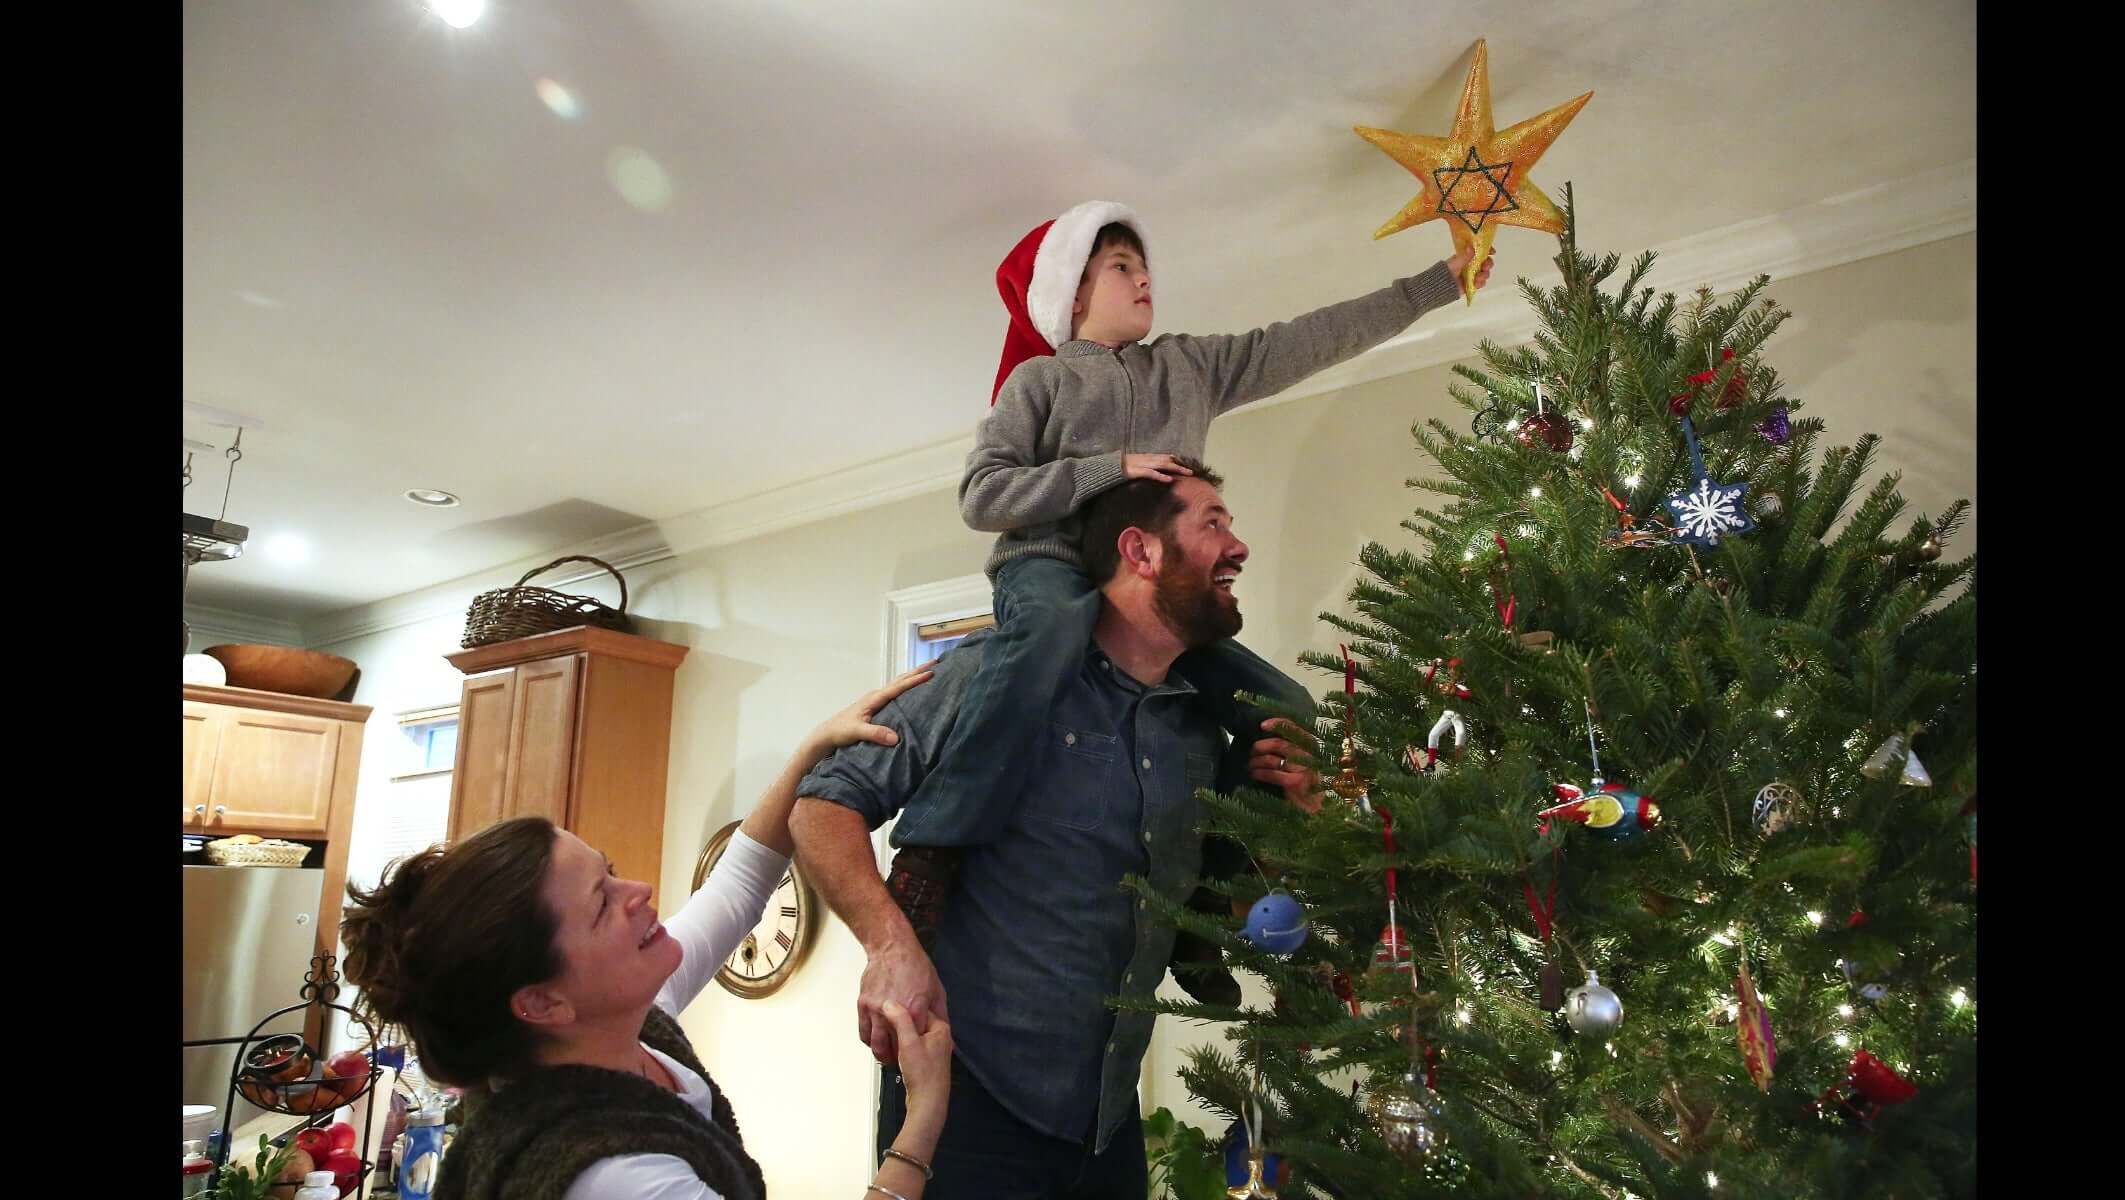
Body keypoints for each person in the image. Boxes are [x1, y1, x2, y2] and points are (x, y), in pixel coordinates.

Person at [887, 201, 1492, 1004]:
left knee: (1280, 704)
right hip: (1052, 566)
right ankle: (934, 852)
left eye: (1145, 268)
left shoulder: (1191, 366)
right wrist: (1114, 467)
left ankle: (1207, 885)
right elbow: (984, 495)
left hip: (1161, 591)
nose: (1142, 281)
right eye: (1120, 268)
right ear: (1071, 293)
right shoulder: (1041, 380)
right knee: (1049, 635)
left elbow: (1306, 338)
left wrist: (1436, 285)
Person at [791, 462, 1324, 1197]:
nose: (1238, 546)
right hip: (965, 1107)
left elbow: (1227, 907)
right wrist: (890, 945)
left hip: (1107, 1123)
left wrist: (1291, 817)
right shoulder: (991, 675)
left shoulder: (1201, 735)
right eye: (1213, 523)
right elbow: (822, 804)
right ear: (1140, 552)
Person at [341, 670, 951, 1200]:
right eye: (602, 904)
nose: (637, 892)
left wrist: (811, 749)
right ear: (542, 1001)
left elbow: (738, 885)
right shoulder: (611, 1175)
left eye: (609, 871)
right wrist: (922, 1118)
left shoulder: (623, 1028)